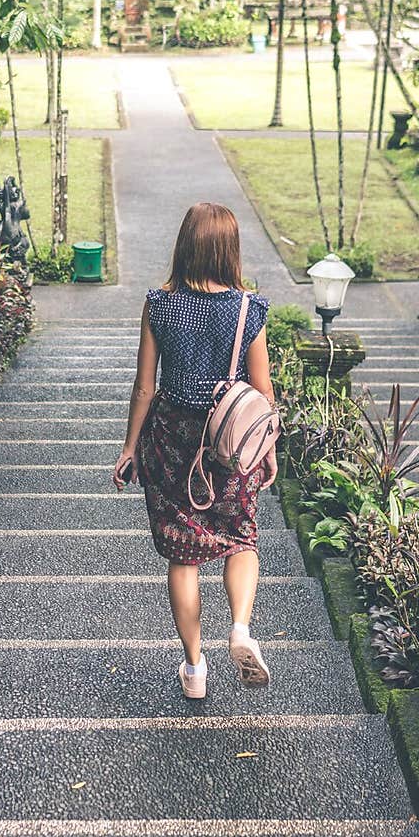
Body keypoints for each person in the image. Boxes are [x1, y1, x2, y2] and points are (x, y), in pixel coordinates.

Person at [113, 202, 278, 700]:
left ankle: (194, 668)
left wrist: (128, 447)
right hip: (229, 444)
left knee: (183, 558)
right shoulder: (249, 310)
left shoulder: (159, 304)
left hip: (172, 443)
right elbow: (263, 389)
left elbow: (145, 387)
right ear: (230, 249)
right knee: (241, 538)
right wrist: (268, 449)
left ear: (185, 245)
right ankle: (242, 629)